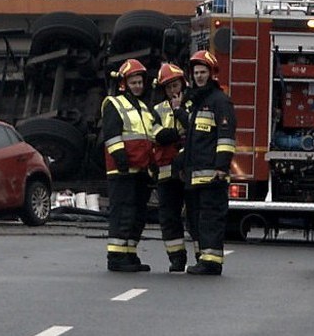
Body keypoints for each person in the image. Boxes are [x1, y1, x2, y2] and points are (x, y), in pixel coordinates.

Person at [101, 59, 176, 272]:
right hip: (121, 171)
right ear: (124, 83)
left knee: (136, 215)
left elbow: (153, 135)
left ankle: (129, 254)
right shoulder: (114, 104)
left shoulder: (144, 108)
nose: (138, 86)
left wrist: (176, 132)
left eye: (140, 82)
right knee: (122, 213)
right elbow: (112, 136)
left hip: (140, 171)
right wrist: (122, 161)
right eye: (133, 82)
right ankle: (116, 257)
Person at [177, 50, 236, 276]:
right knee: (194, 219)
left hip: (212, 174)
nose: (199, 76)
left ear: (212, 74)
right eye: (196, 73)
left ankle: (211, 262)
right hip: (194, 174)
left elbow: (226, 136)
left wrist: (222, 167)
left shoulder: (220, 101)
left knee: (210, 218)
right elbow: (192, 140)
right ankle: (202, 257)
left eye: (203, 72)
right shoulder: (197, 102)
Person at [152, 63, 190, 272]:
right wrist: (179, 136)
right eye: (168, 88)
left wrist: (180, 112)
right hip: (167, 174)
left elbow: (196, 131)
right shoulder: (157, 110)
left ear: (182, 85)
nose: (173, 91)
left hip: (190, 173)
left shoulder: (193, 105)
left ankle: (204, 257)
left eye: (175, 85)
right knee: (169, 218)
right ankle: (176, 258)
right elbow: (158, 135)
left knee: (196, 216)